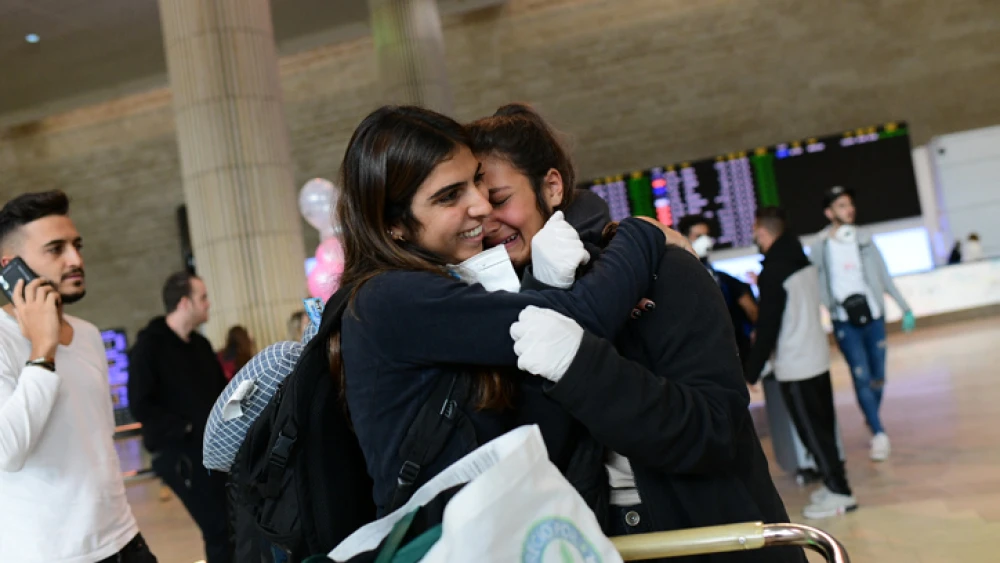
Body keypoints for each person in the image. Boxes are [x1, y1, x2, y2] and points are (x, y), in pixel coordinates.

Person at [471, 105, 804, 562]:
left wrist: (580, 363)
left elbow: (714, 431)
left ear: (551, 186)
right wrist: (543, 293)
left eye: (500, 198)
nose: (486, 222)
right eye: (475, 207)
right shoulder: (495, 304)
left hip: (710, 540)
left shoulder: (663, 268)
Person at [331, 105, 682, 518]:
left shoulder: (437, 285)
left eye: (478, 181)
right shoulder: (391, 298)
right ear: (394, 226)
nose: (481, 206)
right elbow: (580, 318)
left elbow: (532, 428)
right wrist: (642, 232)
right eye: (449, 196)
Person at [0, 190, 157, 562]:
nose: (76, 259)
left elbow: (98, 439)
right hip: (49, 554)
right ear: (9, 266)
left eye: (76, 245)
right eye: (56, 249)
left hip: (124, 539)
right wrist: (43, 351)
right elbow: (6, 451)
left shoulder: (87, 333)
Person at [742, 207, 857, 519]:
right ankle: (835, 484)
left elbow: (768, 327)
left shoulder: (773, 271)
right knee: (823, 428)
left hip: (796, 364)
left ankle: (840, 492)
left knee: (813, 433)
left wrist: (750, 372)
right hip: (816, 358)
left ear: (762, 231)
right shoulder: (798, 259)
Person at [128, 271, 233, 563]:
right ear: (185, 303)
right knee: (218, 528)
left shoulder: (200, 346)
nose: (209, 304)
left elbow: (219, 395)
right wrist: (185, 427)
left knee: (234, 524)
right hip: (178, 455)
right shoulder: (149, 347)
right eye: (203, 298)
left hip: (212, 450)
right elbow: (140, 404)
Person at [809, 185, 914, 462]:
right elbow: (814, 280)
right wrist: (825, 308)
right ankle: (879, 431)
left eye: (850, 204)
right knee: (860, 375)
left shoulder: (865, 239)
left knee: (878, 375)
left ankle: (871, 416)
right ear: (829, 212)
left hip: (874, 317)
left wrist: (905, 308)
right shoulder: (820, 245)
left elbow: (884, 276)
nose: (849, 209)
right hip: (844, 321)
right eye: (842, 205)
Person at [677, 215, 758, 360]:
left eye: (707, 235)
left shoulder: (722, 279)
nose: (705, 241)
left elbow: (750, 309)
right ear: (684, 238)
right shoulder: (678, 276)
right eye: (699, 236)